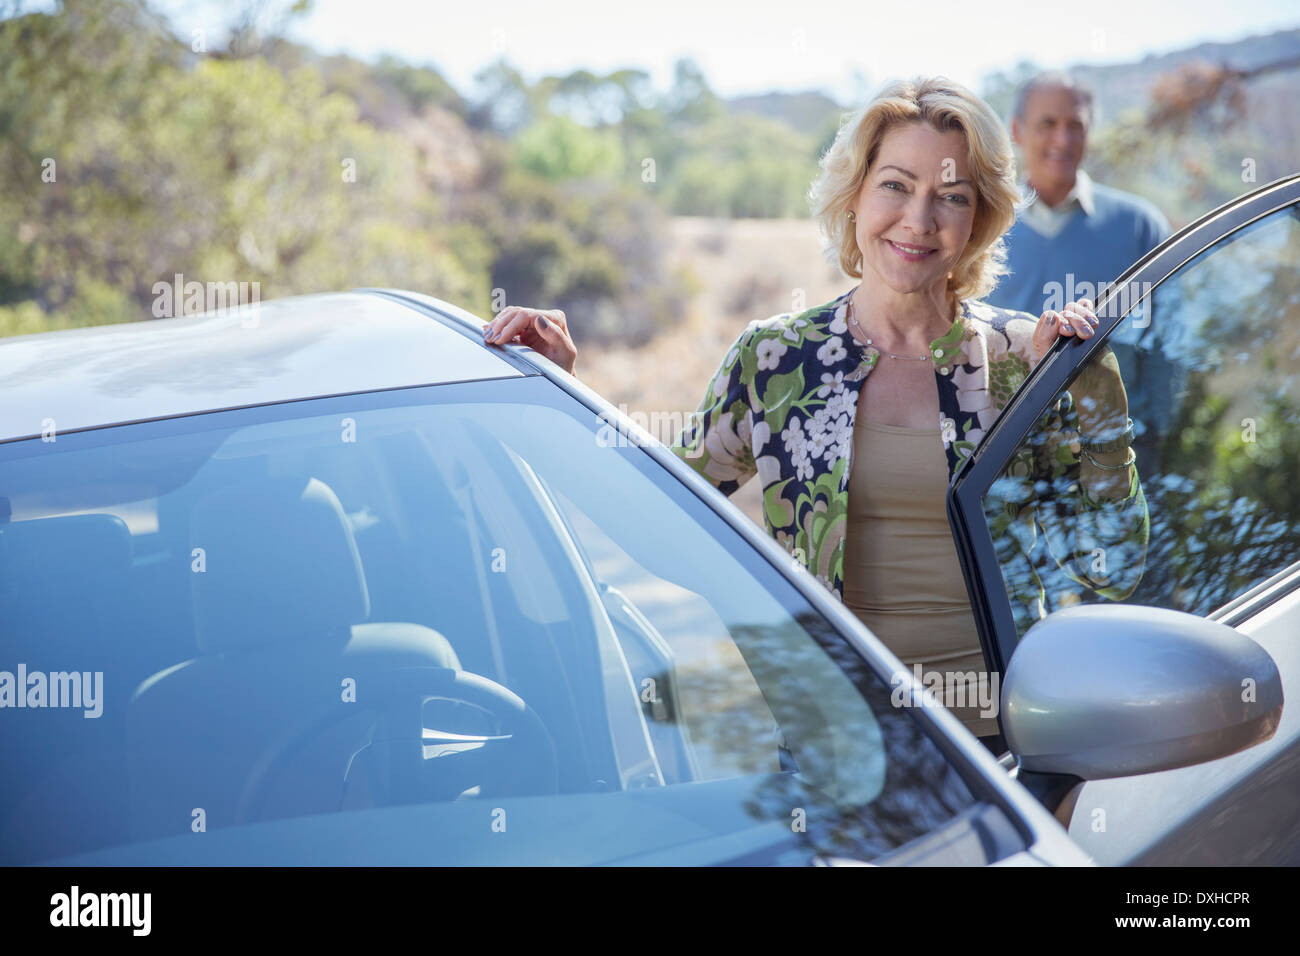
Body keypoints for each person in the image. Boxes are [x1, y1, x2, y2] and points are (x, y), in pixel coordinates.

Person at [479, 76, 1149, 756]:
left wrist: (1096, 396)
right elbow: (656, 521)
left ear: (978, 219)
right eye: (895, 185)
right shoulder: (776, 360)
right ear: (854, 195)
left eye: (950, 196)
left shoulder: (1025, 356)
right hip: (840, 753)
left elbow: (1111, 564)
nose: (919, 219)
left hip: (1013, 746)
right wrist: (561, 390)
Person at [990, 71, 1171, 316]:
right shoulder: (986, 227)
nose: (1063, 140)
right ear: (1016, 131)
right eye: (1048, 124)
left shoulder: (1141, 227)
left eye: (1075, 126)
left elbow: (1168, 332)